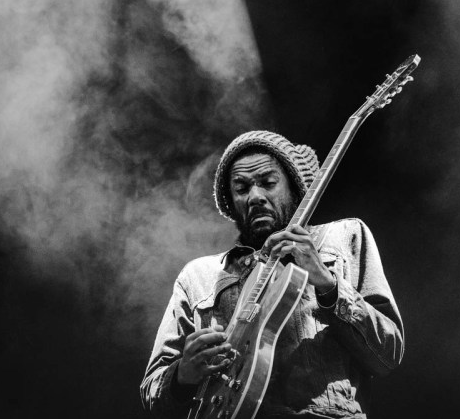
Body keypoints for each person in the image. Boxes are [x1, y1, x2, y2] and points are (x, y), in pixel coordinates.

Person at [140, 130, 404, 418]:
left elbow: (387, 355)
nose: (255, 197)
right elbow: (152, 392)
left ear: (294, 188)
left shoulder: (344, 237)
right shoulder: (197, 276)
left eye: (268, 183)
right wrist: (183, 375)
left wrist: (327, 283)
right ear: (231, 203)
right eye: (241, 188)